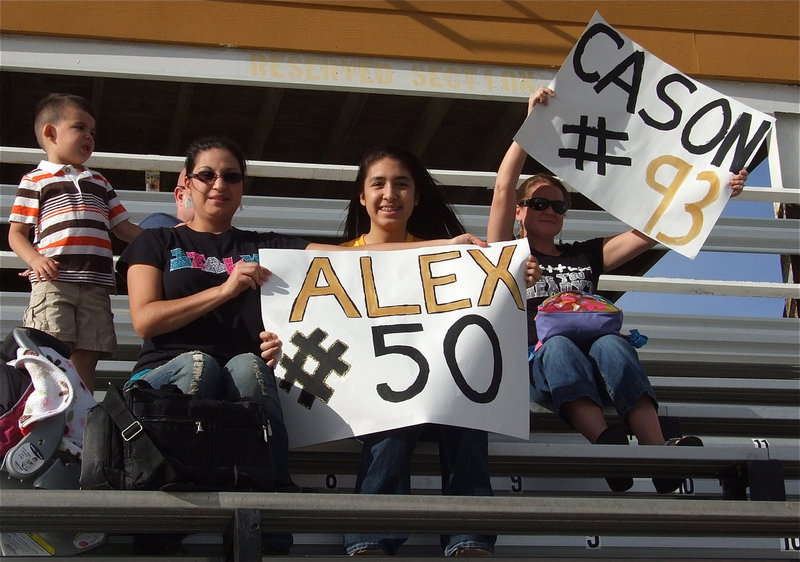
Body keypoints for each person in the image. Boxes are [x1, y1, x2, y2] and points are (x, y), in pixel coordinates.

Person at [117, 136, 486, 555]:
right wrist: (225, 289)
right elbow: (145, 319)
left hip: (239, 380)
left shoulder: (265, 246)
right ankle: (165, 522)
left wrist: (445, 247)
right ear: (186, 184)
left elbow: (361, 259)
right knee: (203, 363)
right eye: (207, 175)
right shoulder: (156, 242)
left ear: (242, 188)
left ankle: (267, 517)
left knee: (247, 366)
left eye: (232, 176)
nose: (219, 184)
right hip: (169, 375)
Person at [487, 87, 749, 494]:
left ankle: (658, 454)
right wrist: (530, 125)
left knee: (612, 342)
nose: (550, 211)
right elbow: (503, 188)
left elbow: (651, 232)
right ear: (520, 211)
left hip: (598, 361)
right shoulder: (507, 253)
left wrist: (716, 190)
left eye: (559, 207)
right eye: (539, 204)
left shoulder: (585, 254)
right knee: (558, 347)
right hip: (541, 363)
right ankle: (608, 445)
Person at [341, 148, 505, 557]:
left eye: (401, 184)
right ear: (362, 196)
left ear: (416, 197)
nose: (389, 194)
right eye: (378, 184)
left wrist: (515, 278)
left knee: (469, 411)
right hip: (372, 399)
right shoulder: (332, 259)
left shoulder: (454, 258)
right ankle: (370, 539)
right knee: (395, 413)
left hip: (441, 393)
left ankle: (470, 539)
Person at [8, 93, 142, 392]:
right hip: (55, 280)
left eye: (92, 131)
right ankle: (51, 410)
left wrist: (165, 239)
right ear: (50, 133)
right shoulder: (36, 180)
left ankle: (82, 415)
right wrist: (35, 259)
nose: (89, 136)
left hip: (96, 284)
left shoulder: (100, 182)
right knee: (51, 350)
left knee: (88, 353)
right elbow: (16, 234)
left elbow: (123, 228)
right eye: (80, 127)